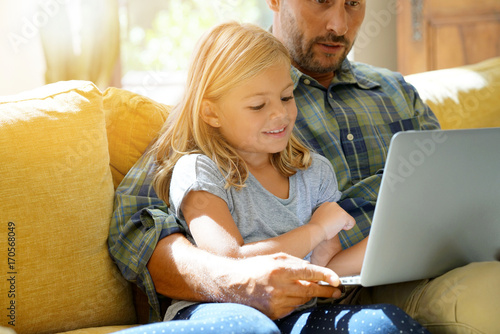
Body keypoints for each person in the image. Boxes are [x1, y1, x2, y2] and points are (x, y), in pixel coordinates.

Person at [109, 0, 500, 333]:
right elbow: (135, 222)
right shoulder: (224, 102)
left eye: (353, 3)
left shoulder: (394, 95)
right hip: (252, 300)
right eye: (321, 1)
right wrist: (234, 281)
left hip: (361, 283)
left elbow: (460, 186)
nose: (339, 25)